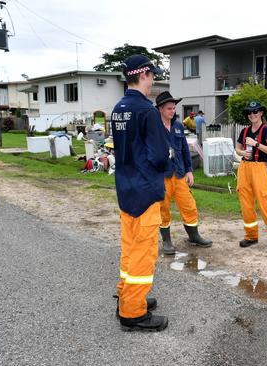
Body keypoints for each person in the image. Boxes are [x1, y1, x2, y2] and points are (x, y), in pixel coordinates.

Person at [111, 54, 170, 332]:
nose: (154, 79)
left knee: (129, 248)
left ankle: (125, 296)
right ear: (143, 74)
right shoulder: (146, 111)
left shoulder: (118, 108)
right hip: (145, 191)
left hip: (126, 189)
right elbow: (159, 156)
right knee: (143, 252)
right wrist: (167, 159)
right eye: (153, 74)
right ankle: (133, 312)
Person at [155, 91, 212, 255]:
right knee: (163, 208)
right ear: (160, 109)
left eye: (173, 108)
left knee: (189, 205)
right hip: (162, 175)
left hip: (179, 173)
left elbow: (186, 151)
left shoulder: (178, 126)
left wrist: (189, 170)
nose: (172, 111)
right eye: (168, 108)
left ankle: (194, 236)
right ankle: (167, 241)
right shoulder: (153, 127)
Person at [234, 101, 267, 251]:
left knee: (265, 201)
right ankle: (251, 236)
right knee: (246, 203)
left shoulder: (266, 131)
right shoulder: (244, 131)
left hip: (259, 168)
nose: (252, 115)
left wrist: (256, 144)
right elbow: (237, 148)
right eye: (249, 113)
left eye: (255, 112)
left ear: (261, 113)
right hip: (244, 168)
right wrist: (241, 152)